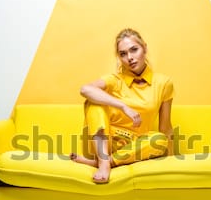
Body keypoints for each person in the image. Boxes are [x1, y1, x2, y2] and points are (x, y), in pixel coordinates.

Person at [71, 28, 174, 183]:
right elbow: (85, 89)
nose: (130, 58)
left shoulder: (163, 83)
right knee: (93, 102)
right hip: (105, 142)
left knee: (159, 139)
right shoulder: (114, 80)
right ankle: (103, 160)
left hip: (135, 147)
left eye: (134, 50)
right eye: (123, 54)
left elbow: (165, 128)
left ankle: (104, 163)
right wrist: (123, 106)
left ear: (144, 48)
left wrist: (171, 161)